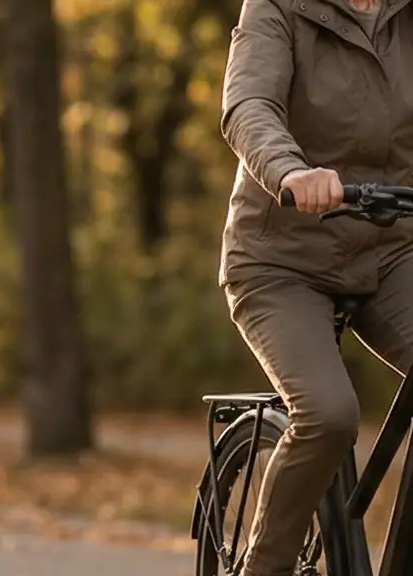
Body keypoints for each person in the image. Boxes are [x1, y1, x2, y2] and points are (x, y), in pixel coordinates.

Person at [220, 0, 413, 574]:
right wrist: (289, 170)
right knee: (328, 414)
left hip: (389, 250)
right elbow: (247, 104)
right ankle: (266, 568)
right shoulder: (278, 7)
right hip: (281, 259)